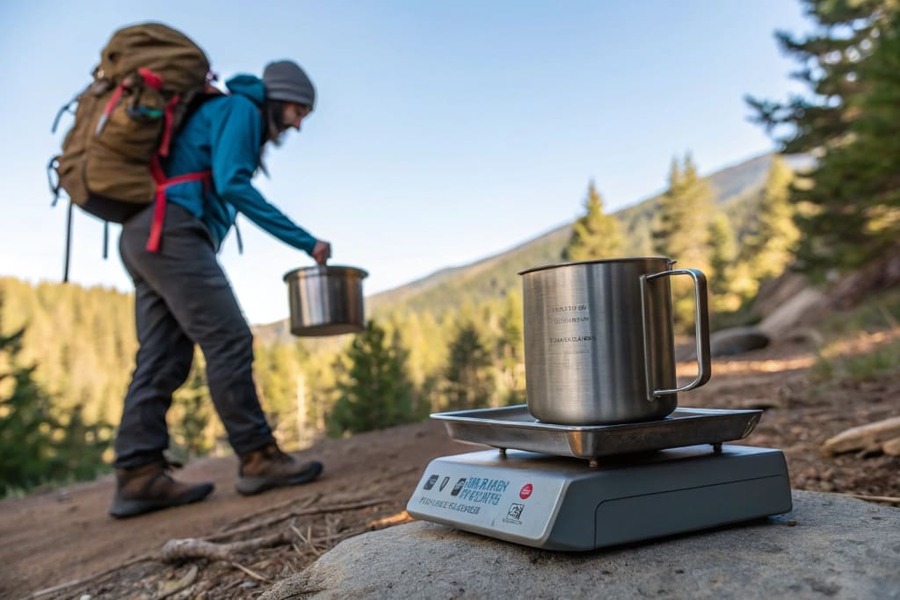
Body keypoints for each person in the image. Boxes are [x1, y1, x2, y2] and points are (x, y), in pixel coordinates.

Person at [109, 60, 330, 519]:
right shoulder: (242, 110)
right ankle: (258, 458)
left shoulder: (228, 111)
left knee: (162, 356)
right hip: (170, 232)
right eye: (298, 109)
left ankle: (138, 474)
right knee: (229, 339)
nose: (300, 123)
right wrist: (307, 242)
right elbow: (233, 183)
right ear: (278, 98)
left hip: (144, 233)